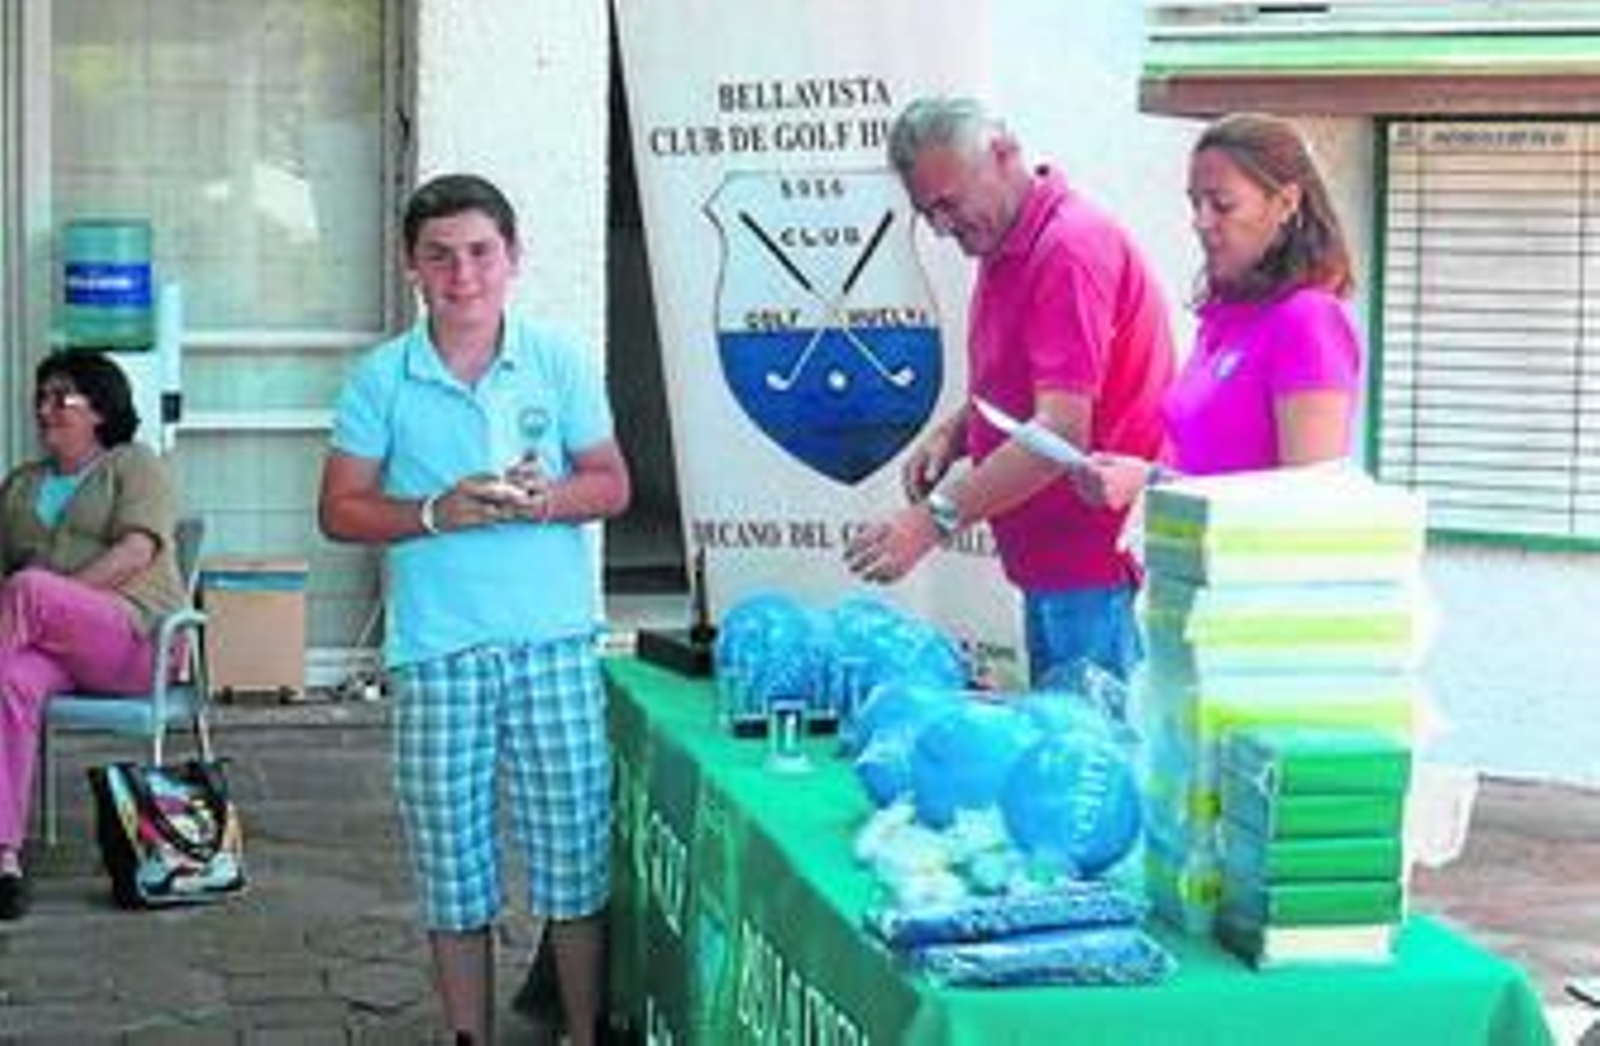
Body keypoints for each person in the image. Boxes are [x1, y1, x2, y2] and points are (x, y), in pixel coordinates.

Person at [318, 173, 630, 1045]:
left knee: (573, 862)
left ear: (514, 258)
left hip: (554, 646)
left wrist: (547, 499)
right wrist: (432, 512)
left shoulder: (557, 361)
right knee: (451, 867)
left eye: (480, 253)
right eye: (440, 256)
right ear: (411, 266)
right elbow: (339, 510)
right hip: (438, 653)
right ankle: (469, 1037)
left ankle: (580, 1031)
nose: (463, 275)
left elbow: (611, 484)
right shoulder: (383, 376)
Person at [844, 96, 1176, 685]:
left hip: (1096, 567)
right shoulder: (1010, 243)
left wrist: (931, 521)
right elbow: (1028, 384)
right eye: (929, 215)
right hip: (1062, 566)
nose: (944, 228)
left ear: (1003, 154)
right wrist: (956, 431)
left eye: (949, 204)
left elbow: (1060, 431)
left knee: (1090, 759)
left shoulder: (1067, 250)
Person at [1072, 112, 1360, 508]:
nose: (1201, 222)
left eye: (1222, 205)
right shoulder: (1222, 318)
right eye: (1195, 203)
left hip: (1253, 568)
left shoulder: (1309, 320)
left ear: (1286, 203)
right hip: (1188, 563)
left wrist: (1151, 484)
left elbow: (1307, 508)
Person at [0, 350, 185, 920]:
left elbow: (137, 551)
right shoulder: (21, 483)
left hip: (135, 639)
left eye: (63, 398)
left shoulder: (133, 464)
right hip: (50, 646)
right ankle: (3, 856)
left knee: (32, 590)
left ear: (101, 410)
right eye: (42, 397)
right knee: (9, 680)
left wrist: (58, 598)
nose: (45, 408)